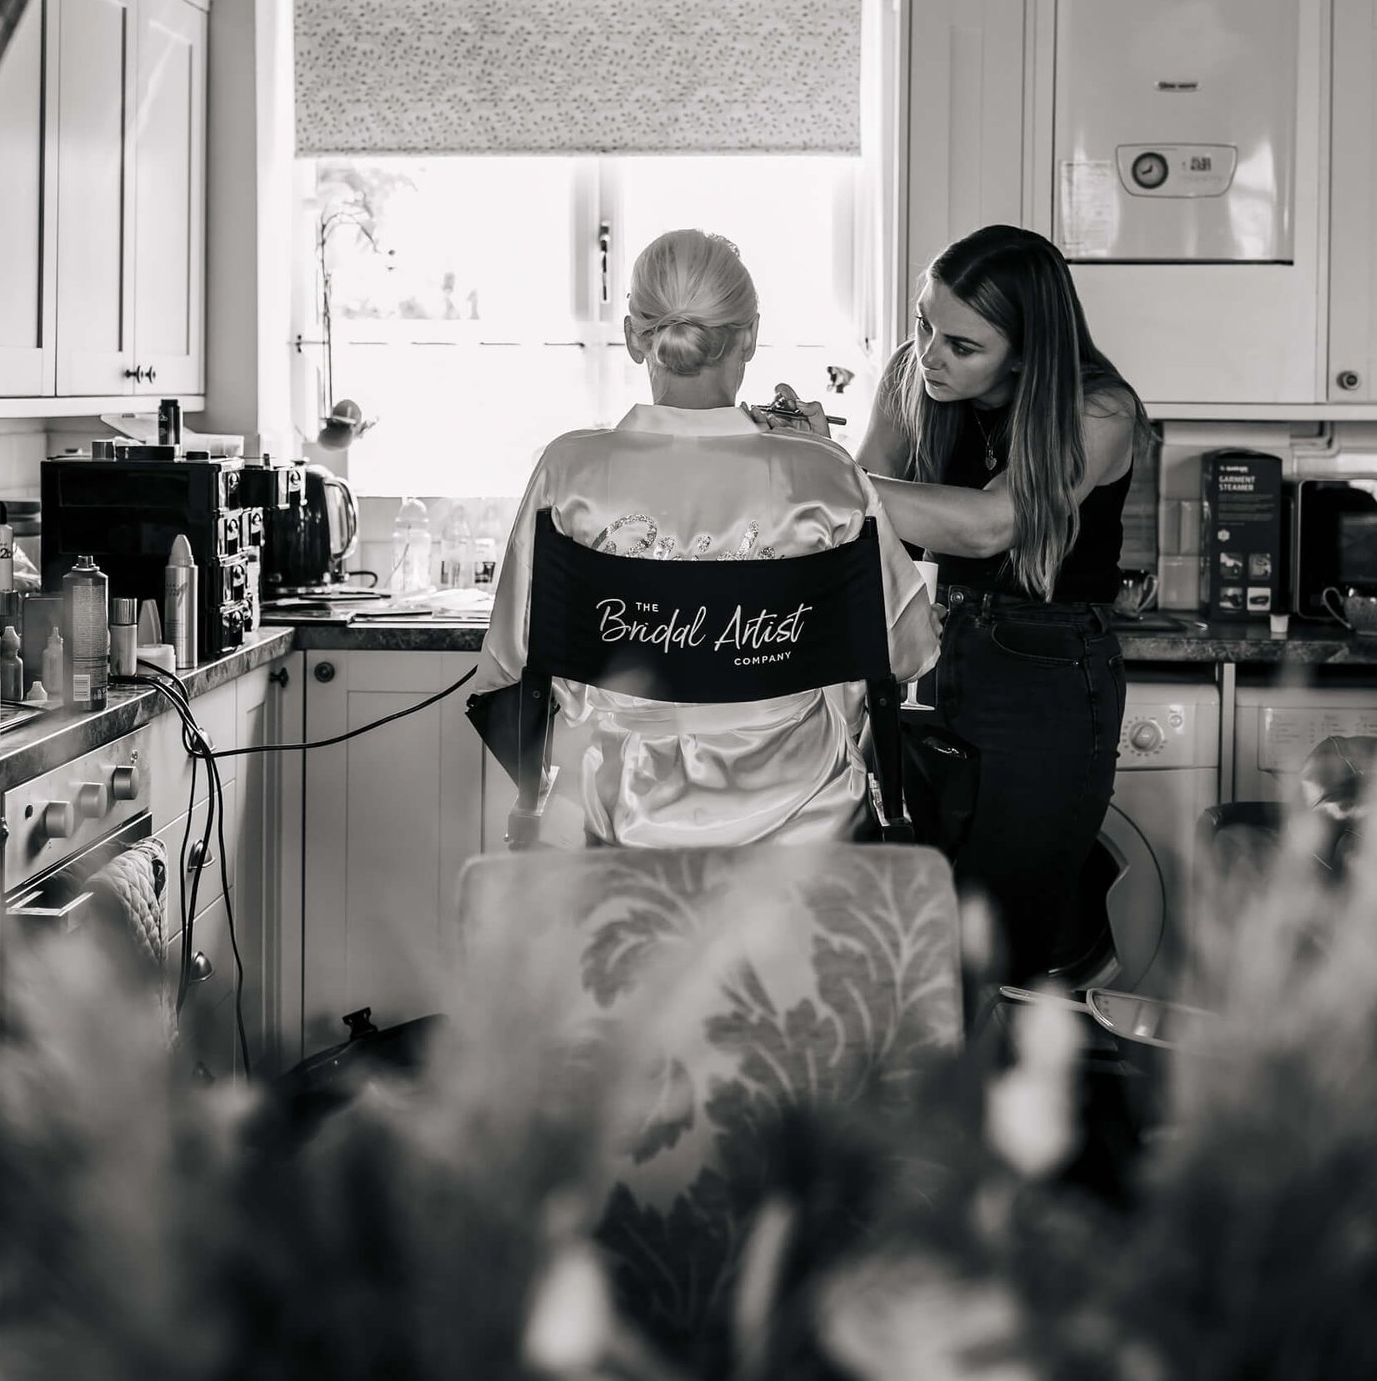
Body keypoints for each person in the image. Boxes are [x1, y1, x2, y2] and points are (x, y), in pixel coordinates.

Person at [757, 224, 1147, 983]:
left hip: (1048, 684)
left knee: (992, 953)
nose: (930, 352)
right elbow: (860, 517)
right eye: (923, 323)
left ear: (1027, 350)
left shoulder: (1098, 411)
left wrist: (830, 475)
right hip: (929, 664)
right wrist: (814, 462)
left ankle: (985, 1100)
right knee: (883, 919)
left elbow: (990, 524)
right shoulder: (913, 376)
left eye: (962, 345)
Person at [477, 229, 938, 848]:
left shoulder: (570, 474)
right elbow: (907, 652)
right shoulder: (824, 475)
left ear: (635, 337)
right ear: (749, 335)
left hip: (620, 821)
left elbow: (511, 667)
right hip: (808, 825)